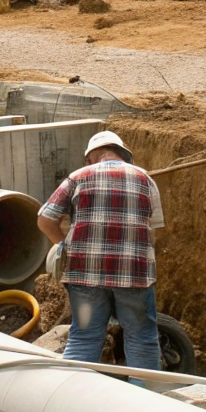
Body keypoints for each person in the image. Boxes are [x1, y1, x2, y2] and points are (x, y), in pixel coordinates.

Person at [36, 129, 164, 380]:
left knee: (84, 337)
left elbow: (45, 219)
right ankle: (146, 407)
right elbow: (155, 231)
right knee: (141, 338)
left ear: (93, 155)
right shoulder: (145, 179)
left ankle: (71, 401)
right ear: (122, 154)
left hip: (84, 278)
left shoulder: (78, 177)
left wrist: (64, 246)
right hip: (134, 276)